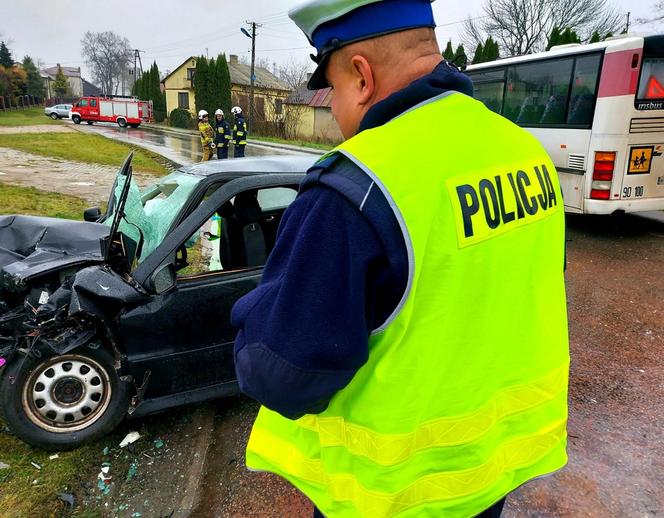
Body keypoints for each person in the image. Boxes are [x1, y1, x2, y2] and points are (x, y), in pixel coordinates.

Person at [231, 1, 570, 517]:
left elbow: (282, 376)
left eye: (334, 90)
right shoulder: (522, 151)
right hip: (486, 478)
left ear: (361, 76)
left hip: (390, 498)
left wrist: (256, 311)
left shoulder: (354, 186)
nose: (337, 111)